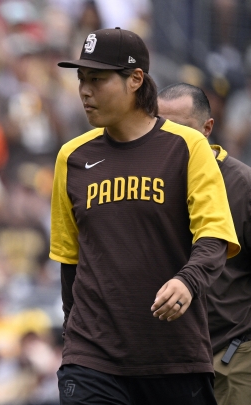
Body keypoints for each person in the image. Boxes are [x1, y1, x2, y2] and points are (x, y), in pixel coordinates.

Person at [50, 27, 240, 405]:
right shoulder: (71, 157)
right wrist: (74, 338)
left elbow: (215, 235)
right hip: (92, 360)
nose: (85, 91)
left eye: (98, 80)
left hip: (174, 358)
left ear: (135, 79)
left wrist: (187, 282)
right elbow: (69, 260)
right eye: (81, 80)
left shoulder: (187, 147)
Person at [158, 83, 251, 405]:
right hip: (167, 359)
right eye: (160, 127)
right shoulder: (149, 183)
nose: (169, 137)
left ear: (207, 128)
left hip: (230, 354)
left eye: (180, 129)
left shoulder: (241, 185)